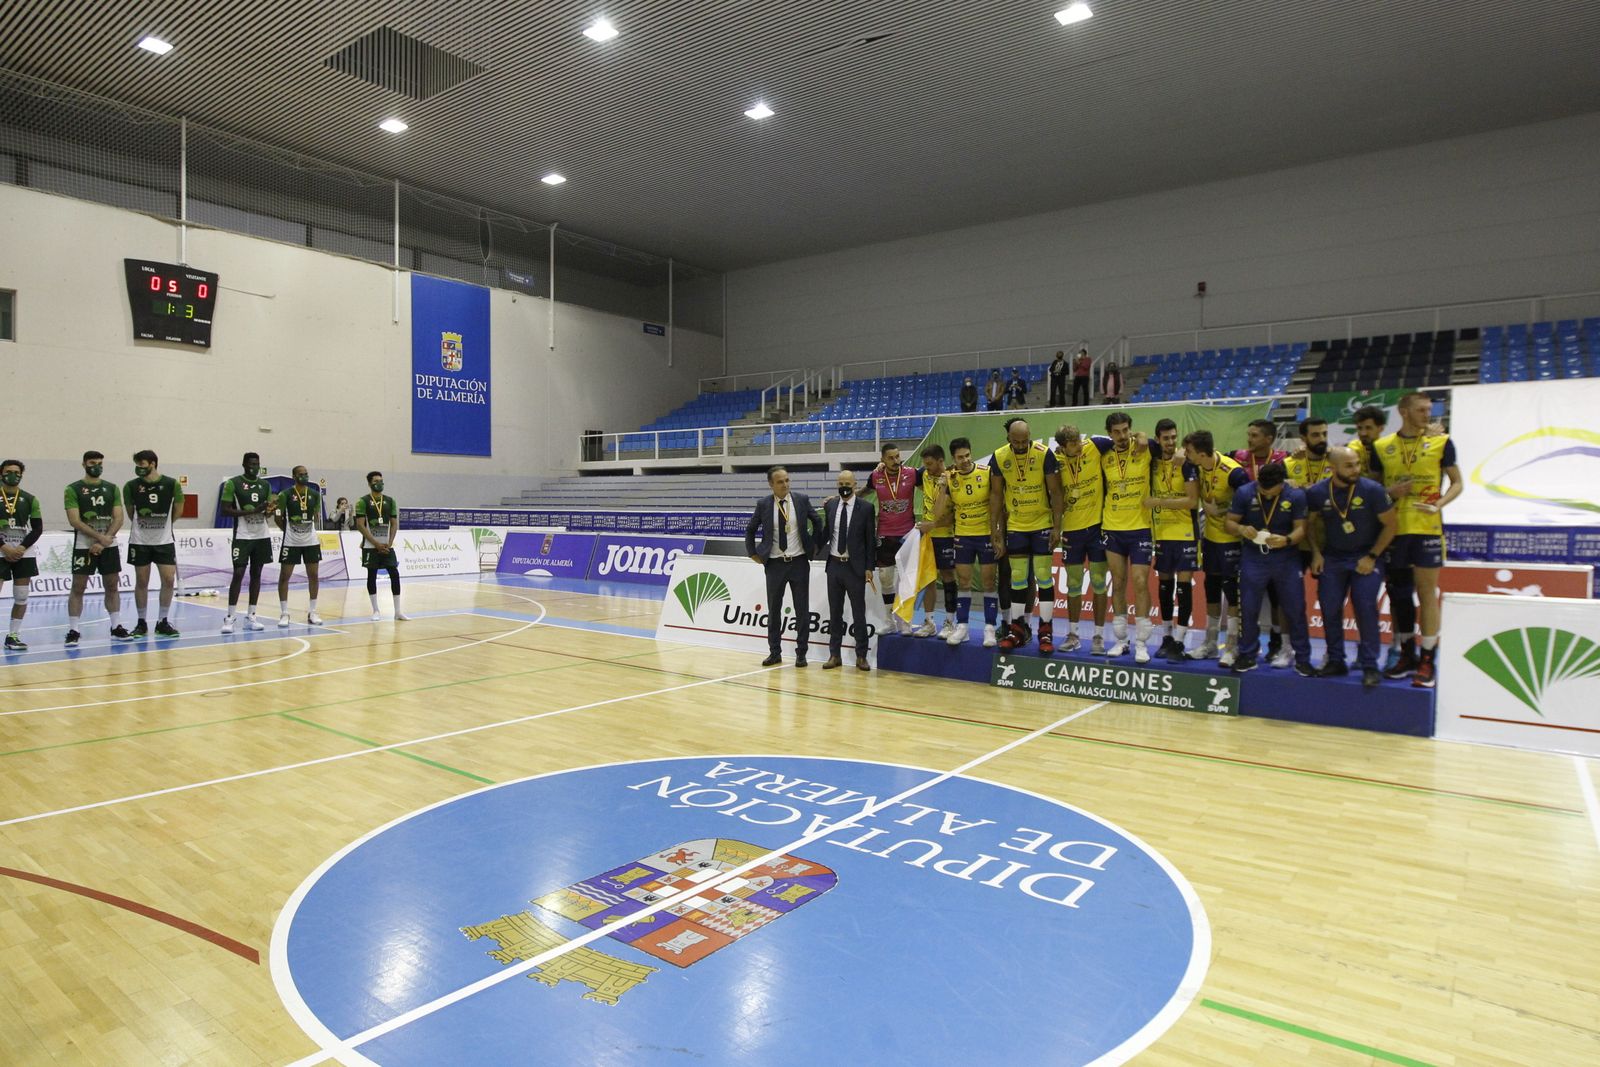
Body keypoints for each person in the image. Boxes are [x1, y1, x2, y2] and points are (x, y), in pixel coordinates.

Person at [1367, 392, 1462, 688]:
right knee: (1399, 595)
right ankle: (1406, 655)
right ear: (1404, 411)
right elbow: (1371, 490)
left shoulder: (1441, 442)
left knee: (1427, 593)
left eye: (1429, 410)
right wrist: (1389, 494)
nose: (1427, 415)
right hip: (1393, 529)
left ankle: (1427, 660)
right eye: (1421, 410)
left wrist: (1439, 504)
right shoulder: (1381, 446)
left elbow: (1457, 482)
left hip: (1427, 528)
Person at [1307, 446, 1397, 688]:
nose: (1355, 469)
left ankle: (1370, 664)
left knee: (1365, 606)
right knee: (1329, 607)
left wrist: (1372, 556)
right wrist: (1316, 553)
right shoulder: (1317, 492)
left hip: (1365, 556)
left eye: (1357, 464)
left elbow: (1391, 525)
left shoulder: (1373, 490)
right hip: (1333, 558)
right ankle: (1336, 660)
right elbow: (1309, 524)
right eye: (1349, 466)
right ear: (1332, 468)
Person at [1225, 461, 1313, 675]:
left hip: (1286, 558)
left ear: (1282, 484)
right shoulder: (1245, 493)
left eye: (1270, 491)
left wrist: (1287, 540)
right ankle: (1247, 655)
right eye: (1261, 489)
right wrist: (1241, 528)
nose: (1265, 493)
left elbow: (1301, 529)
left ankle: (1302, 658)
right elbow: (1229, 523)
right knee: (1248, 607)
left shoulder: (1295, 496)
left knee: (1295, 608)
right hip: (1254, 557)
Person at [990, 418, 1063, 653]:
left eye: (1025, 441)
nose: (1021, 446)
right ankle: (1017, 629)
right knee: (1018, 577)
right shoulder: (999, 457)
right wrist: (995, 530)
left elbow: (1056, 492)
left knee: (1043, 575)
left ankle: (1046, 631)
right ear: (1009, 438)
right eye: (1016, 442)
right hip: (1016, 525)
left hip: (1041, 523)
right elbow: (996, 495)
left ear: (1030, 436)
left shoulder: (1044, 454)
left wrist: (1057, 527)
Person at [745, 465, 822, 666]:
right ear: (771, 484)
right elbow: (750, 530)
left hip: (799, 563)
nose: (785, 484)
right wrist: (753, 553)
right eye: (780, 482)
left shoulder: (801, 500)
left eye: (787, 480)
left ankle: (801, 654)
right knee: (774, 611)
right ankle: (775, 652)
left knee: (802, 610)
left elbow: (818, 522)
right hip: (775, 565)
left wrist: (814, 546)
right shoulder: (763, 504)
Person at [1099, 412, 1160, 661]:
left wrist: (1143, 436)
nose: (1122, 435)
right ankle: (1121, 640)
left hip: (1140, 528)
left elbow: (1170, 447)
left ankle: (1142, 644)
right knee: (1118, 582)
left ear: (1131, 429)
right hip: (1112, 528)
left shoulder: (1146, 447)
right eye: (1117, 432)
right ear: (1110, 433)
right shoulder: (1104, 455)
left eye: (1126, 430)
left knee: (1140, 582)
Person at [1184, 430, 1248, 666]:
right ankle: (1210, 644)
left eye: (1189, 451)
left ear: (1202, 454)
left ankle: (1232, 647)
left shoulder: (1233, 472)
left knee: (1232, 593)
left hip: (1232, 540)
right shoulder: (1197, 467)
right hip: (1210, 540)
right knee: (1210, 589)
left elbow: (1251, 502)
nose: (1186, 455)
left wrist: (1221, 511)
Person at [1234, 419, 1291, 663]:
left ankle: (1278, 643)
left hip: (1277, 538)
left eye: (1255, 435)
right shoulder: (1237, 457)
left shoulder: (1285, 460)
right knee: (1248, 599)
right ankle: (1246, 645)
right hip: (1247, 538)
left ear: (1269, 439)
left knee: (1278, 598)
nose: (1249, 439)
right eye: (1249, 434)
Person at [936, 437, 1001, 647]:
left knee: (989, 582)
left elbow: (998, 502)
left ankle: (990, 628)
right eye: (959, 457)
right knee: (963, 582)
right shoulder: (950, 477)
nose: (964, 460)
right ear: (953, 459)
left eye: (967, 455)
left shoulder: (986, 472)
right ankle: (962, 627)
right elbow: (938, 513)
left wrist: (997, 533)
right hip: (963, 535)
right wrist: (942, 487)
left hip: (986, 534)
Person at [1054, 425, 1112, 654]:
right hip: (1072, 531)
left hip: (1097, 528)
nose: (1078, 446)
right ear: (1062, 447)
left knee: (1098, 581)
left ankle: (1098, 637)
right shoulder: (1055, 461)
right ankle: (1073, 635)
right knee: (1074, 583)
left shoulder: (1095, 445)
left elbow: (1126, 439)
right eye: (1073, 444)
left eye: (1079, 440)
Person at [64, 450, 129, 645]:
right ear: (84, 464)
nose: (97, 466)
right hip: (84, 545)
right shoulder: (73, 489)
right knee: (78, 587)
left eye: (100, 463)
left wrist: (103, 542)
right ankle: (74, 630)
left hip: (108, 544)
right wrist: (99, 538)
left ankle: (116, 626)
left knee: (112, 585)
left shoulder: (112, 488)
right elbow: (74, 520)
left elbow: (119, 518)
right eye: (92, 463)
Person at [1147, 419, 1199, 662]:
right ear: (1158, 439)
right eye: (1166, 438)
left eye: (1173, 437)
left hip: (1185, 533)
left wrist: (1159, 502)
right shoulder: (1152, 461)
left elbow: (1192, 502)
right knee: (1165, 586)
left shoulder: (1186, 463)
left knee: (1184, 587)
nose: (1170, 442)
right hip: (1162, 533)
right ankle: (1166, 637)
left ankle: (1179, 641)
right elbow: (1138, 438)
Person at [123, 449, 184, 638]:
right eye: (137, 464)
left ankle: (162, 621)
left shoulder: (171, 484)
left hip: (164, 541)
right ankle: (141, 622)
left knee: (168, 580)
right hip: (139, 541)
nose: (139, 468)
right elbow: (131, 512)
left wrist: (163, 525)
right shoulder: (131, 486)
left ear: (152, 463)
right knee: (142, 581)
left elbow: (178, 509)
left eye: (142, 464)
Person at [820, 469, 874, 670]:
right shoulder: (831, 505)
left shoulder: (866, 508)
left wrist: (869, 567)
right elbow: (826, 533)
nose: (844, 487)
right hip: (834, 566)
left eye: (848, 484)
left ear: (855, 484)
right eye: (841, 484)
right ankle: (834, 655)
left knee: (859, 613)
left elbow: (870, 540)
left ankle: (861, 656)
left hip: (855, 568)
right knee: (835, 613)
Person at [866, 444, 918, 634]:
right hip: (885, 533)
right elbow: (864, 491)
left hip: (907, 534)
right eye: (891, 458)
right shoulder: (875, 476)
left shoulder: (912, 473)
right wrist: (841, 498)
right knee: (885, 578)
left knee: (907, 580)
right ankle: (889, 621)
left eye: (897, 456)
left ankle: (906, 621)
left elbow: (929, 486)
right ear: (882, 460)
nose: (896, 461)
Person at [220, 453, 274, 633]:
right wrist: (250, 512)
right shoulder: (233, 483)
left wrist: (269, 511)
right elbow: (225, 510)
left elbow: (266, 512)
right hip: (242, 535)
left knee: (256, 574)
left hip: (261, 535)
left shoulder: (265, 485)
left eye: (257, 464)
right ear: (244, 464)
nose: (254, 467)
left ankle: (251, 616)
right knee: (238, 573)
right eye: (251, 464)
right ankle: (230, 617)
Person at [912, 444, 959, 640]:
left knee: (948, 576)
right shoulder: (923, 473)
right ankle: (929, 622)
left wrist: (933, 524)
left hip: (946, 535)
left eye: (930, 464)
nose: (927, 467)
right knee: (928, 579)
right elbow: (899, 472)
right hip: (927, 537)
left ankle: (949, 622)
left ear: (941, 461)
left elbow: (956, 515)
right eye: (925, 464)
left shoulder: (953, 478)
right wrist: (881, 466)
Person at [0, 459, 44, 650]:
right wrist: (4, 547)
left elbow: (37, 528)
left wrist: (21, 547)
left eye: (17, 472)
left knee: (21, 595)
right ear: (1, 474)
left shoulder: (30, 498)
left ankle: (13, 636)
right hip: (1, 551)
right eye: (9, 472)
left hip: (23, 553)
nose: (13, 475)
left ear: (21, 475)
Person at [356, 470, 408, 622]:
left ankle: (398, 611)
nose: (379, 483)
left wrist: (389, 543)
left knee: (394, 573)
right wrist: (376, 544)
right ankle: (376, 610)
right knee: (371, 575)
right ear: (369, 484)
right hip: (370, 546)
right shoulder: (363, 501)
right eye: (376, 481)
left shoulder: (390, 501)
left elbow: (394, 523)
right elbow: (360, 525)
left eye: (381, 481)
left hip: (386, 546)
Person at [276, 465, 324, 627]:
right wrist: (290, 531)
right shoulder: (285, 494)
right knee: (285, 576)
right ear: (294, 476)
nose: (304, 476)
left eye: (306, 473)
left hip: (311, 541)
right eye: (300, 474)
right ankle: (284, 613)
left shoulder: (315, 495)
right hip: (291, 541)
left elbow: (316, 516)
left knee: (314, 576)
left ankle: (313, 611)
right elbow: (278, 518)